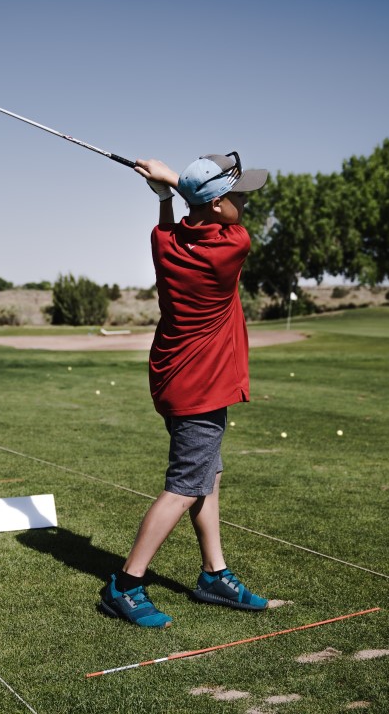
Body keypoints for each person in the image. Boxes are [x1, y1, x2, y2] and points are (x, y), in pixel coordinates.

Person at [98, 152, 271, 628]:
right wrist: (169, 181)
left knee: (206, 477)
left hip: (176, 379)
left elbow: (171, 225)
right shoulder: (231, 247)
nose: (242, 204)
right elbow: (206, 213)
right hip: (202, 386)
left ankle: (214, 573)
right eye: (236, 197)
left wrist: (163, 198)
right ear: (215, 206)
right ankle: (125, 583)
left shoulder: (165, 240)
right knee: (183, 487)